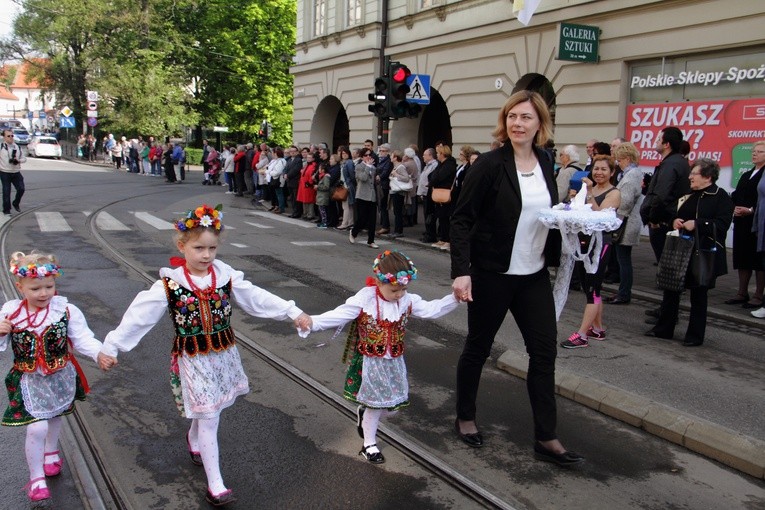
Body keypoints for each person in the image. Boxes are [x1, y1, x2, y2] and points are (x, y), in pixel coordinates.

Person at [98, 204, 311, 506]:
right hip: (192, 357)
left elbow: (255, 297)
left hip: (223, 353)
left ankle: (194, 438)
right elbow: (139, 316)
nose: (207, 255)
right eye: (199, 248)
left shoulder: (224, 276)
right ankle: (216, 483)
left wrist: (291, 311)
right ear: (182, 246)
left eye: (212, 248)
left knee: (213, 408)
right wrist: (112, 346)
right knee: (210, 415)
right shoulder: (169, 285)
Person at [450, 90, 583, 466]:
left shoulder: (544, 160)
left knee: (544, 352)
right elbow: (460, 219)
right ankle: (465, 416)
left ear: (540, 123)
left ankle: (546, 437)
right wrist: (462, 271)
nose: (518, 124)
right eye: (512, 116)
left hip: (533, 276)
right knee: (477, 347)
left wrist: (572, 224)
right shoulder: (490, 165)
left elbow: (544, 213)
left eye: (526, 117)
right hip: (493, 274)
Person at [305, 250, 459, 463]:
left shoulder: (406, 301)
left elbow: (431, 310)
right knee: (376, 406)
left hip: (394, 361)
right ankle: (369, 443)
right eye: (395, 289)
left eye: (404, 289)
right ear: (379, 282)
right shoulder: (365, 299)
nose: (400, 294)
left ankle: (364, 415)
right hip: (371, 361)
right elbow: (339, 314)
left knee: (392, 409)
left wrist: (455, 299)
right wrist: (310, 322)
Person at [1, 251, 109, 503]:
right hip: (29, 378)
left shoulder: (65, 310)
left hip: (60, 374)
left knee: (56, 415)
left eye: (49, 286)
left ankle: (51, 452)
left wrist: (99, 354)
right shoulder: (10, 312)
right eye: (35, 288)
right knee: (37, 426)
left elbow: (82, 339)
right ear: (20, 287)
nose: (43, 293)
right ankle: (36, 476)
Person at [644, 158, 734, 346]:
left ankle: (694, 336)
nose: (690, 177)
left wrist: (698, 224)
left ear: (708, 177)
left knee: (699, 295)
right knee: (671, 290)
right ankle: (663, 329)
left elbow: (723, 224)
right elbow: (670, 214)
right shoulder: (688, 195)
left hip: (703, 253)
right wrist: (674, 221)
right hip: (680, 250)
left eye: (694, 174)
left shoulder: (721, 196)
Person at [560, 155, 621, 348]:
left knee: (593, 288)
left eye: (604, 169)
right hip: (583, 243)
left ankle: (582, 335)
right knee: (588, 287)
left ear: (612, 172)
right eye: (596, 169)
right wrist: (572, 200)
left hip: (601, 244)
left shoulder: (614, 193)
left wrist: (587, 194)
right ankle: (598, 329)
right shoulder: (588, 189)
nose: (599, 172)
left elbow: (599, 216)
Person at [726, 140, 765, 310]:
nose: (755, 153)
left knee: (758, 259)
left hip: (756, 222)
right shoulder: (747, 173)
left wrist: (750, 210)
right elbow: (736, 194)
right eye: (754, 151)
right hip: (741, 222)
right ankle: (742, 292)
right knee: (742, 256)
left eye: (760, 151)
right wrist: (733, 207)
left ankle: (758, 294)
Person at [606, 142, 645, 305]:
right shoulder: (631, 174)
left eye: (620, 160)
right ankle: (623, 292)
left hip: (626, 223)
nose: (618, 163)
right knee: (623, 259)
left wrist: (612, 210)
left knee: (624, 260)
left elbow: (626, 202)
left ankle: (624, 293)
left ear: (627, 159)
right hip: (626, 222)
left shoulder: (631, 175)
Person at [428, 144, 457, 250]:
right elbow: (433, 176)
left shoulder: (449, 165)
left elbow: (438, 177)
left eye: (438, 153)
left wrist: (433, 180)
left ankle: (447, 240)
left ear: (443, 154)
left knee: (445, 217)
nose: (437, 155)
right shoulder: (441, 164)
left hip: (445, 192)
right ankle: (443, 238)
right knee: (441, 217)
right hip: (439, 192)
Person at [349, 148, 379, 249]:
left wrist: (371, 168)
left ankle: (371, 241)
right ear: (362, 157)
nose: (368, 157)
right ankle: (354, 232)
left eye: (370, 155)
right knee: (362, 218)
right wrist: (367, 167)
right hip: (362, 195)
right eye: (366, 155)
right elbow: (363, 178)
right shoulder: (358, 166)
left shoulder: (373, 167)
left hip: (372, 196)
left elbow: (372, 180)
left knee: (372, 220)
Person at [1, 128, 27, 216]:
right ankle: (6, 210)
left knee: (21, 189)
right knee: (6, 191)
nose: (11, 137)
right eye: (8, 136)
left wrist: (18, 160)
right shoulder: (1, 147)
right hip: (4, 172)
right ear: (4, 137)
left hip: (16, 172)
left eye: (12, 135)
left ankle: (16, 203)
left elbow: (24, 159)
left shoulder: (17, 147)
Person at [388, 150, 412, 238]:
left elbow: (406, 178)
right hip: (395, 191)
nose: (390, 157)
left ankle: (398, 231)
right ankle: (397, 230)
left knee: (398, 212)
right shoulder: (396, 166)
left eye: (392, 156)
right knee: (396, 212)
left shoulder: (400, 167)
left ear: (395, 158)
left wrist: (396, 175)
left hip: (399, 192)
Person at [375, 144, 393, 235]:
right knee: (381, 206)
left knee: (383, 206)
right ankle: (384, 225)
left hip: (384, 186)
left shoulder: (388, 161)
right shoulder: (381, 160)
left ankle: (385, 226)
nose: (381, 152)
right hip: (380, 184)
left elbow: (385, 173)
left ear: (388, 152)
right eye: (380, 150)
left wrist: (379, 176)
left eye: (383, 151)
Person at [336, 146, 355, 229]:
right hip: (344, 185)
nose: (344, 155)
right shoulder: (343, 163)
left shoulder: (349, 162)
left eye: (345, 153)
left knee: (346, 206)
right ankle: (350, 222)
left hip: (347, 186)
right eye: (342, 153)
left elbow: (352, 175)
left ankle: (344, 223)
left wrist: (351, 184)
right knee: (349, 205)